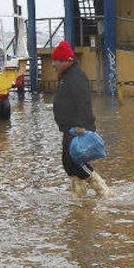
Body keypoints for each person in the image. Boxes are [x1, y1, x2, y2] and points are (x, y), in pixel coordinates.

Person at [51, 40, 111, 197]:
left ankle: (102, 189)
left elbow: (83, 102)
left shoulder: (76, 76)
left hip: (77, 128)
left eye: (56, 61)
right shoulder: (66, 76)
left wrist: (81, 127)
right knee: (68, 163)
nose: (53, 64)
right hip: (68, 128)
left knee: (76, 162)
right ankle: (79, 196)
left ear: (66, 61)